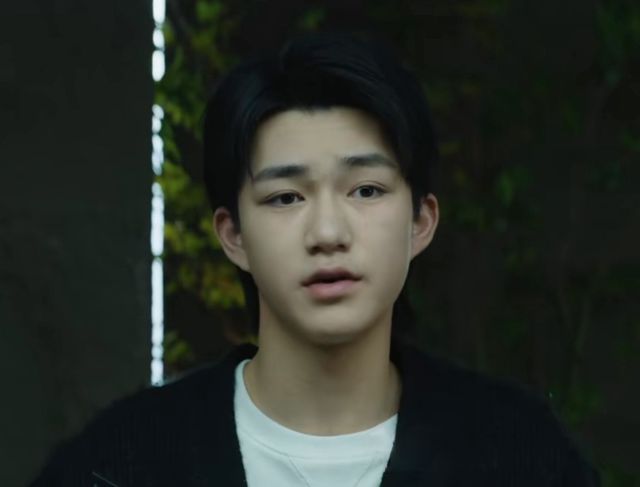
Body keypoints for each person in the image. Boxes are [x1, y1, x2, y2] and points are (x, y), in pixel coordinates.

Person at [32, 31, 600, 486]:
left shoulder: (520, 457)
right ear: (233, 236)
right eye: (286, 197)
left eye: (366, 190)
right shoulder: (120, 463)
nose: (328, 233)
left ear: (421, 222)